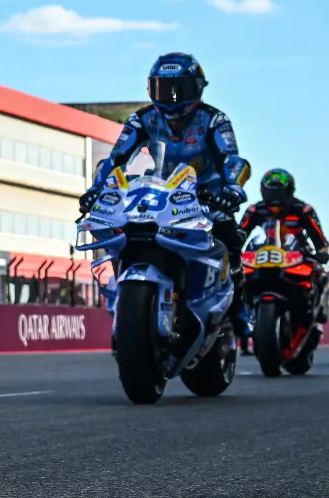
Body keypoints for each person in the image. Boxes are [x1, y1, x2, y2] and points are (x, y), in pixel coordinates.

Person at [81, 53, 251, 331]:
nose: (171, 97)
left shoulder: (213, 120)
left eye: (178, 88)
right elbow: (116, 159)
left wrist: (232, 189)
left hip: (206, 198)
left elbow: (231, 159)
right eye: (163, 88)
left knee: (229, 240)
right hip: (161, 193)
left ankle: (239, 308)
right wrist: (96, 189)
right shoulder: (142, 119)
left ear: (197, 88)